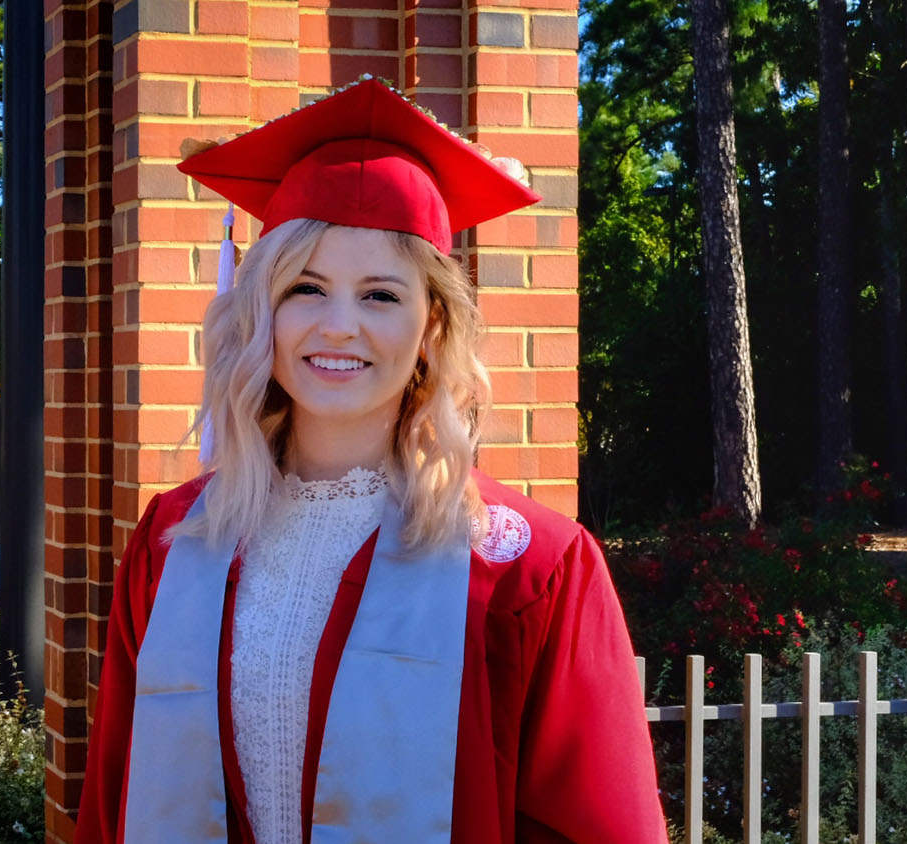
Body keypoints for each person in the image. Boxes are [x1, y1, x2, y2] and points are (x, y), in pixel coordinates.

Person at [74, 77, 667, 844]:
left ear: (432, 326)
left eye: (381, 295)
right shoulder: (176, 540)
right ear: (263, 312)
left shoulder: (530, 569)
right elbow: (113, 801)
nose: (339, 326)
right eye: (306, 288)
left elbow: (601, 826)